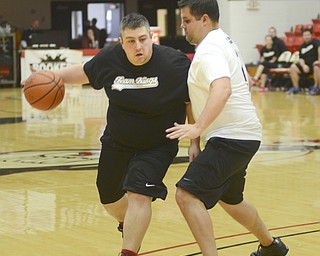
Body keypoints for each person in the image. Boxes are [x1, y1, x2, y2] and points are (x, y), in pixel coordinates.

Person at [22, 13, 190, 256]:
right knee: (109, 198)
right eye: (131, 41)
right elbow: (85, 72)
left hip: (157, 144)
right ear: (121, 41)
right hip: (118, 141)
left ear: (151, 38)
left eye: (143, 39)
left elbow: (190, 100)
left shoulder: (175, 64)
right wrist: (51, 78)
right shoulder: (110, 59)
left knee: (139, 194)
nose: (138, 46)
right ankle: (127, 222)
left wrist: (196, 140)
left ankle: (128, 251)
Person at [166, 1, 289, 256]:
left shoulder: (210, 48)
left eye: (187, 20)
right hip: (240, 135)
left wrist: (197, 127)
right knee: (231, 199)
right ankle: (270, 246)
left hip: (232, 137)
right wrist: (197, 141)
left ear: (205, 20)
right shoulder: (223, 41)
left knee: (186, 195)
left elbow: (223, 88)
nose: (182, 26)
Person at [287, 28, 320, 95]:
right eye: (305, 35)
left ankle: (316, 87)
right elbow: (301, 59)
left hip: (314, 65)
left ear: (311, 35)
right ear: (302, 37)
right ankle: (296, 87)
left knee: (316, 66)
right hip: (306, 66)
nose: (306, 37)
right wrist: (303, 65)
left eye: (308, 35)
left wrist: (319, 61)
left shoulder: (316, 43)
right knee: (293, 67)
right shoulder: (302, 47)